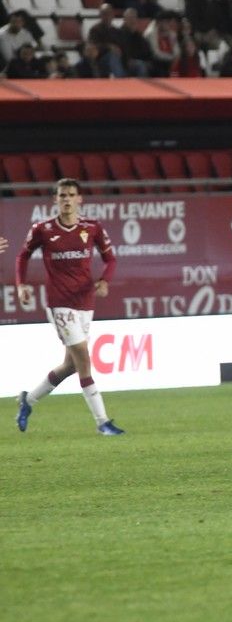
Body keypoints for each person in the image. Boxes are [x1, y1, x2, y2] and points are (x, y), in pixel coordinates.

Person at [14, 178, 124, 436]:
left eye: (71, 194)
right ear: (55, 200)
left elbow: (110, 259)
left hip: (85, 302)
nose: (66, 199)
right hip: (59, 304)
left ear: (79, 199)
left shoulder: (92, 228)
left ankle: (27, 401)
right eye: (62, 195)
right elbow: (22, 255)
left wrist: (105, 281)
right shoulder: (42, 229)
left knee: (70, 366)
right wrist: (21, 285)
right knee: (84, 360)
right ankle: (102, 422)